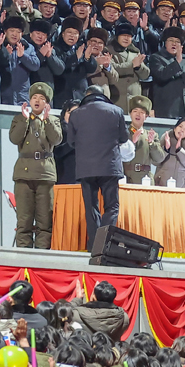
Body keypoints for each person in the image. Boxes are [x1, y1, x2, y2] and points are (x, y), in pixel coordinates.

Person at [64, 83, 129, 251]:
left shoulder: (76, 114)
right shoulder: (116, 111)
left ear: (87, 96)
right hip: (109, 167)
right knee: (112, 207)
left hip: (86, 169)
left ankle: (94, 245)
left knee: (91, 207)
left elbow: (71, 142)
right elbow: (123, 138)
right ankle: (104, 243)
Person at [10, 82, 63, 250]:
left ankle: (42, 256)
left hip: (45, 174)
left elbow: (57, 140)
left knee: (44, 221)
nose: (37, 101)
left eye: (41, 98)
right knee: (24, 221)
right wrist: (25, 120)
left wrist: (46, 121)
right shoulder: (20, 119)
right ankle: (23, 256)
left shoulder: (53, 120)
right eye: (34, 97)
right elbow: (14, 139)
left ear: (47, 103)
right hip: (24, 174)